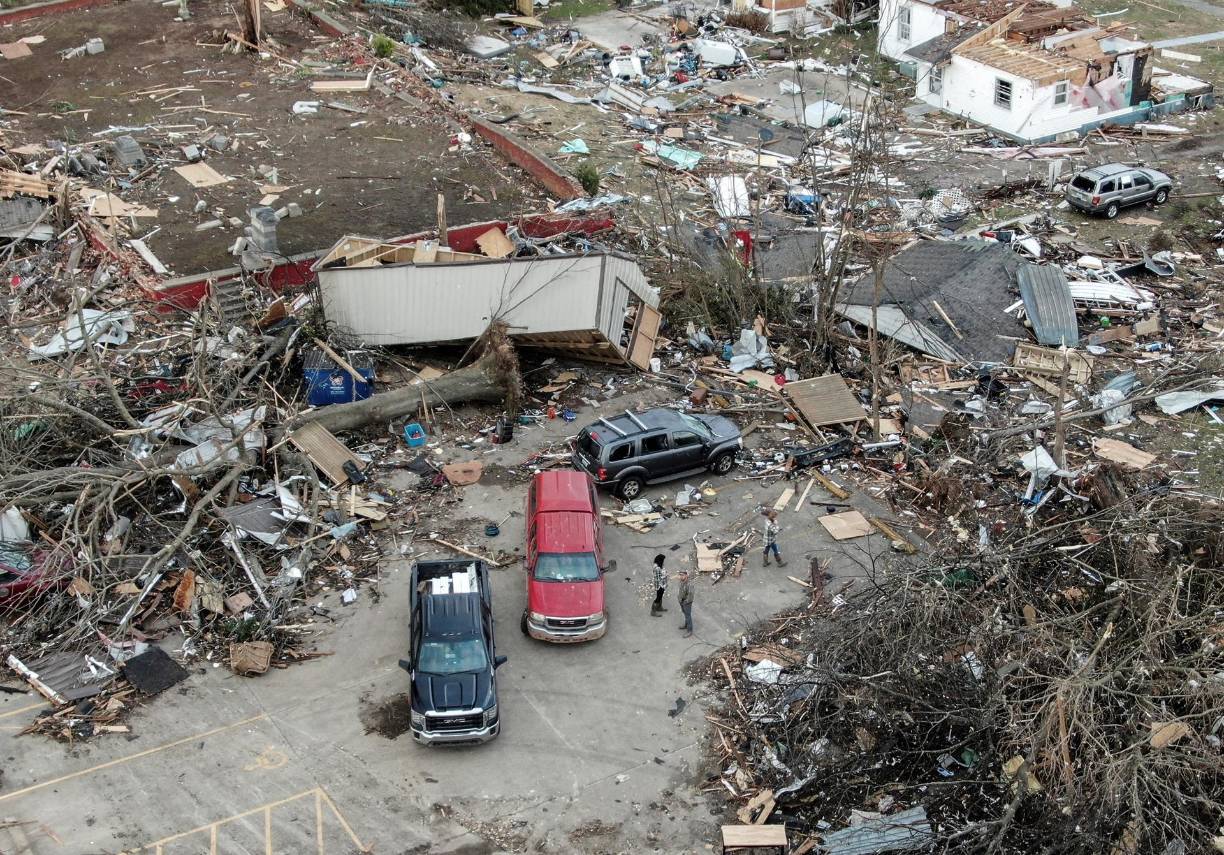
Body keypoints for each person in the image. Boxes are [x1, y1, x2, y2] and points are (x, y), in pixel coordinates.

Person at [677, 569, 694, 637]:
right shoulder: (681, 581)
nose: (681, 576)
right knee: (685, 613)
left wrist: (686, 602)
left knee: (688, 615)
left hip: (686, 602)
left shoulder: (689, 584)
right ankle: (686, 625)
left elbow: (690, 595)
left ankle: (690, 630)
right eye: (680, 575)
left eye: (682, 575)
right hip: (681, 600)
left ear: (686, 575)